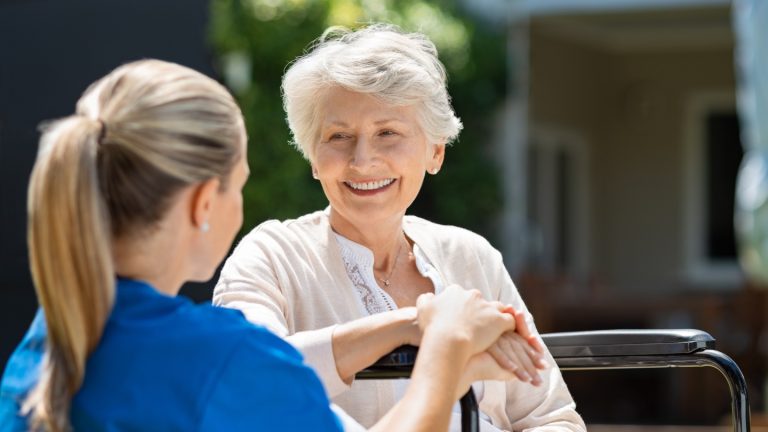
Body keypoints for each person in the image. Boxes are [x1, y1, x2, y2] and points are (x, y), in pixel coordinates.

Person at [0, 59, 526, 432]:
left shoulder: (53, 337)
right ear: (206, 203)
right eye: (242, 181)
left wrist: (409, 324)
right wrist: (446, 351)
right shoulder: (222, 359)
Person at [213, 24, 587, 431]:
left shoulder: (471, 255)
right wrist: (419, 324)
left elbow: (551, 416)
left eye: (387, 133)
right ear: (313, 158)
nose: (362, 160)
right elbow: (245, 377)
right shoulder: (272, 255)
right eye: (339, 136)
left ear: (435, 152)